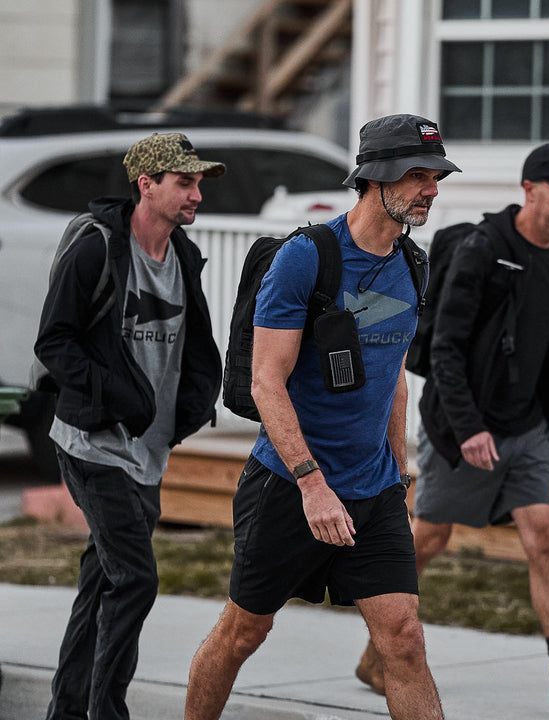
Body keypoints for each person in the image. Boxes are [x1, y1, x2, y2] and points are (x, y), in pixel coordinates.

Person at [183, 113, 460, 720]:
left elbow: (392, 380)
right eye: (418, 176)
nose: (431, 190)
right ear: (375, 178)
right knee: (243, 633)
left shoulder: (413, 265)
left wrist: (399, 475)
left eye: (436, 177)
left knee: (405, 640)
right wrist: (312, 484)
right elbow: (266, 380)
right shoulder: (306, 258)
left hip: (373, 487)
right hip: (289, 485)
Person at [355, 143, 549, 717]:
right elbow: (445, 348)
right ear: (529, 190)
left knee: (546, 536)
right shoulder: (484, 250)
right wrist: (468, 427)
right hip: (465, 426)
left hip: (526, 425)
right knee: (430, 538)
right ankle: (379, 649)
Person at [35, 132, 225, 720]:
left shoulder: (183, 254)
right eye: (184, 183)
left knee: (103, 582)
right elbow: (54, 343)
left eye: (198, 183)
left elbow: (193, 341)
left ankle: (68, 710)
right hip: (94, 443)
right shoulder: (97, 250)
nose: (196, 195)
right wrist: (116, 398)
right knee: (136, 579)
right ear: (147, 184)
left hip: (149, 447)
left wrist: (194, 401)